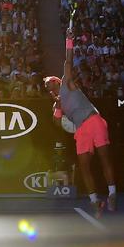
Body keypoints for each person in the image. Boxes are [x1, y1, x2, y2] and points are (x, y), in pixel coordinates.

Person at [45, 26, 117, 217]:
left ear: (57, 82)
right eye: (46, 87)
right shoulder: (56, 106)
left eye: (49, 83)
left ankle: (112, 194)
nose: (48, 87)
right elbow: (57, 123)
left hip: (94, 120)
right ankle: (94, 201)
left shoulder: (67, 82)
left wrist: (69, 40)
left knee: (104, 159)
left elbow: (68, 61)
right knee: (84, 166)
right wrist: (59, 106)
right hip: (81, 130)